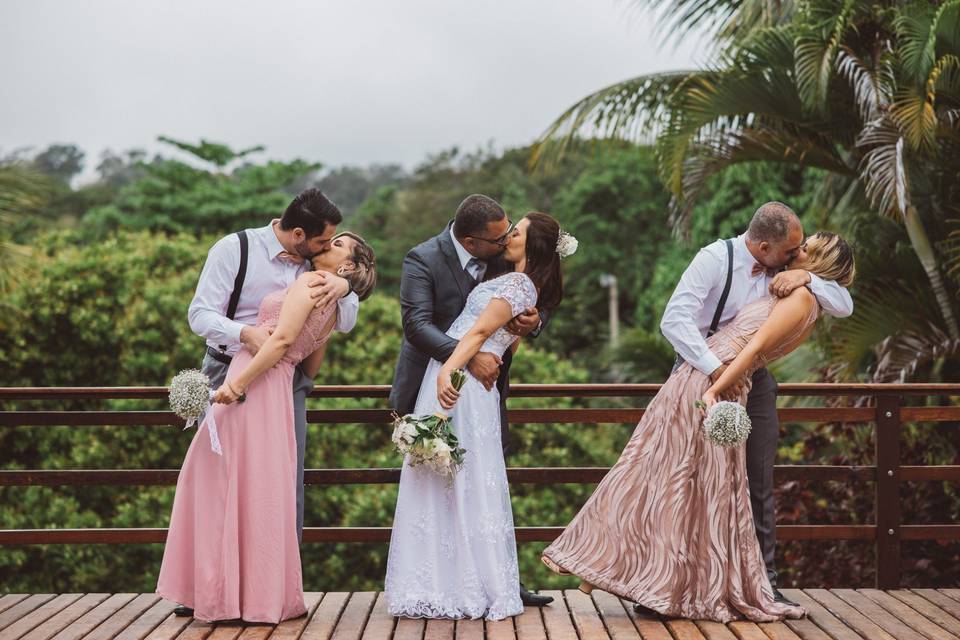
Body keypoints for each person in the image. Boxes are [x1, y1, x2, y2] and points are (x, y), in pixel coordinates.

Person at [541, 230, 855, 623]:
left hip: (738, 380)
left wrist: (809, 278)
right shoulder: (716, 259)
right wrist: (714, 374)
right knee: (670, 476)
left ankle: (746, 580)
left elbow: (836, 306)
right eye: (794, 248)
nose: (795, 253)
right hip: (706, 369)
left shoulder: (806, 288)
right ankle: (656, 581)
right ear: (764, 247)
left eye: (804, 250)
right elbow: (673, 320)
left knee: (730, 484)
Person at [157, 232, 376, 623]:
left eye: (339, 243)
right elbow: (310, 362)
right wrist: (340, 289)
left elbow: (281, 341)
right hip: (274, 383)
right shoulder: (327, 295)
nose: (329, 242)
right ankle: (248, 594)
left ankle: (225, 593)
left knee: (217, 479)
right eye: (330, 237)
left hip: (253, 378)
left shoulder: (312, 283)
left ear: (347, 266)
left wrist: (237, 384)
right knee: (259, 486)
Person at [386, 212, 570, 620]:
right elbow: (417, 325)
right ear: (471, 239)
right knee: (444, 478)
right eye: (504, 232)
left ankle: (484, 580)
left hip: (466, 384)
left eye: (515, 232)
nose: (507, 237)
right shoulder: (425, 259)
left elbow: (498, 328)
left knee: (471, 479)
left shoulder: (514, 275)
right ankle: (443, 580)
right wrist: (464, 364)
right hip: (448, 372)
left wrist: (529, 325)